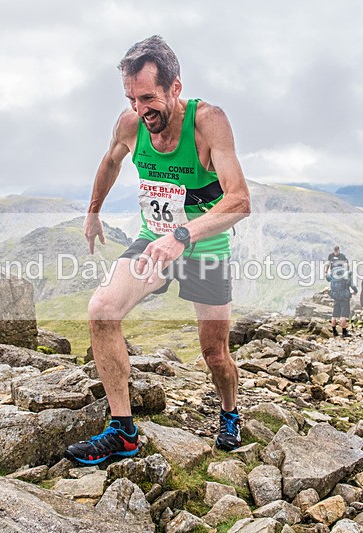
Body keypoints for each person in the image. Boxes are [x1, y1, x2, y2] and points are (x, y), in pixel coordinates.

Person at [67, 36, 251, 464]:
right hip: (155, 239)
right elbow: (111, 161)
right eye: (131, 98)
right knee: (103, 310)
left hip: (205, 244)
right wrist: (93, 212)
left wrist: (184, 235)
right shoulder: (130, 124)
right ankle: (122, 431)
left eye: (148, 97)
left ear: (175, 88)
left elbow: (239, 200)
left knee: (214, 353)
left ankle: (229, 412)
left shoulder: (208, 122)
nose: (139, 109)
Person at [327, 266, 358, 338]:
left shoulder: (333, 274)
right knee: (343, 315)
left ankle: (334, 331)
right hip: (344, 298)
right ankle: (344, 332)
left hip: (336, 297)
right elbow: (352, 285)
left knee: (334, 315)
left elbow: (328, 279)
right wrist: (355, 291)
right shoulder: (346, 274)